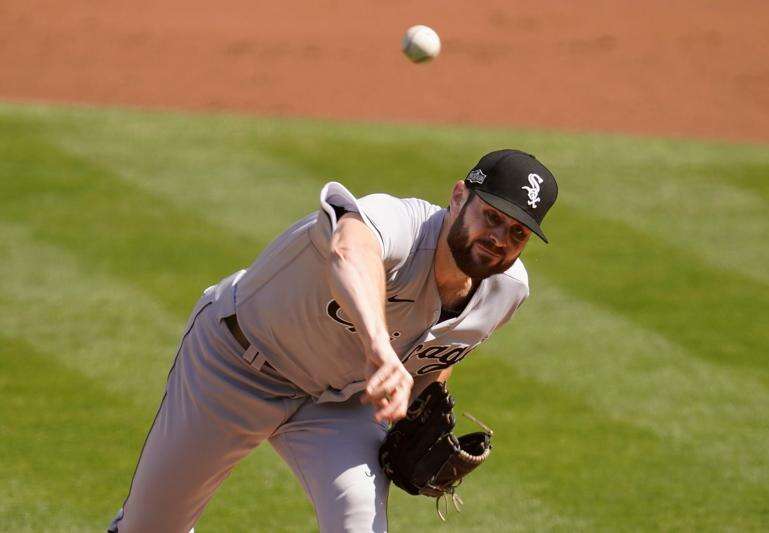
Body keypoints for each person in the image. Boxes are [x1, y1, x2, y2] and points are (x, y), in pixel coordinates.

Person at [108, 148, 558, 532]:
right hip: (235, 367)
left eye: (517, 232)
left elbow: (443, 348)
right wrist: (379, 349)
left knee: (358, 522)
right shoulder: (399, 225)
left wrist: (424, 404)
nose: (498, 238)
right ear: (459, 197)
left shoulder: (507, 291)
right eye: (491, 217)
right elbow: (349, 250)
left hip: (338, 404)